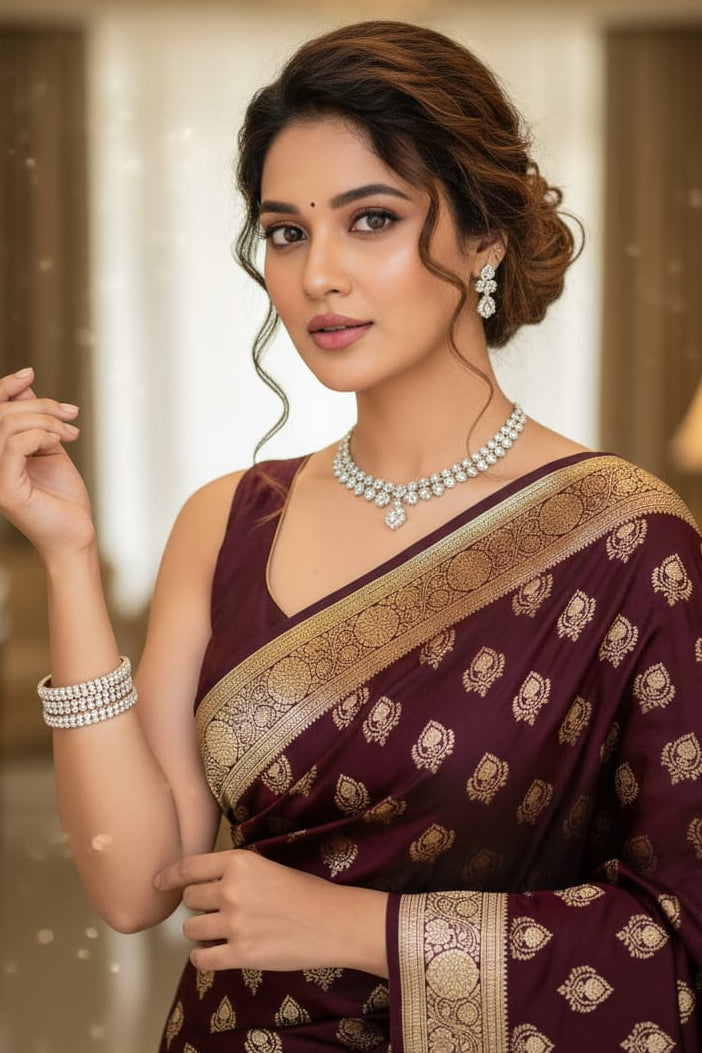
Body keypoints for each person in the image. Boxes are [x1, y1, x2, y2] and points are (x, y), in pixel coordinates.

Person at [0, 19, 700, 1053]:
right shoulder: (228, 518)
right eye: (286, 231)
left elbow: (677, 943)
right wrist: (65, 557)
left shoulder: (631, 543)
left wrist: (364, 929)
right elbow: (135, 883)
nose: (317, 273)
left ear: (484, 238)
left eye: (370, 220)